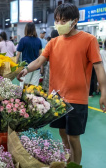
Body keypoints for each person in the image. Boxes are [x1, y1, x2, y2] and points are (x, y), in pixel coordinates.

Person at [17, 3, 106, 165]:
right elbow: (38, 61)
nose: (59, 24)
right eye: (57, 20)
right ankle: (67, 161)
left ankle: (75, 165)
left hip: (77, 98)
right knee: (63, 133)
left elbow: (99, 67)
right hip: (56, 97)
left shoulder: (89, 40)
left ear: (75, 21)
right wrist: (25, 70)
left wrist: (104, 92)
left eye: (64, 20)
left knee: (73, 137)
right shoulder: (53, 42)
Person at [16, 22, 42, 86]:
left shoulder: (23, 40)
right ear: (34, 30)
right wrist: (41, 67)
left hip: (26, 68)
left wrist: (15, 67)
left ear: (26, 29)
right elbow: (41, 56)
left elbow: (17, 55)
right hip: (36, 67)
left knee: (24, 88)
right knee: (33, 89)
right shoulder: (38, 40)